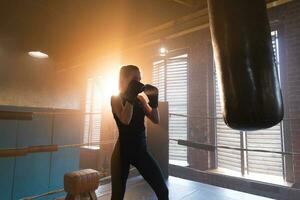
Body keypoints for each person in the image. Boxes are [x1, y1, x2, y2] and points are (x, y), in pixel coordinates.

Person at [110, 65, 169, 200]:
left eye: (139, 79)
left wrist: (154, 103)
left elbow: (155, 119)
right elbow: (125, 120)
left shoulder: (140, 99)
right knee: (117, 197)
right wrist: (130, 97)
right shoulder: (115, 98)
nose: (138, 82)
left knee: (163, 191)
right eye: (135, 79)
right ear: (123, 79)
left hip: (140, 151)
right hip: (121, 153)